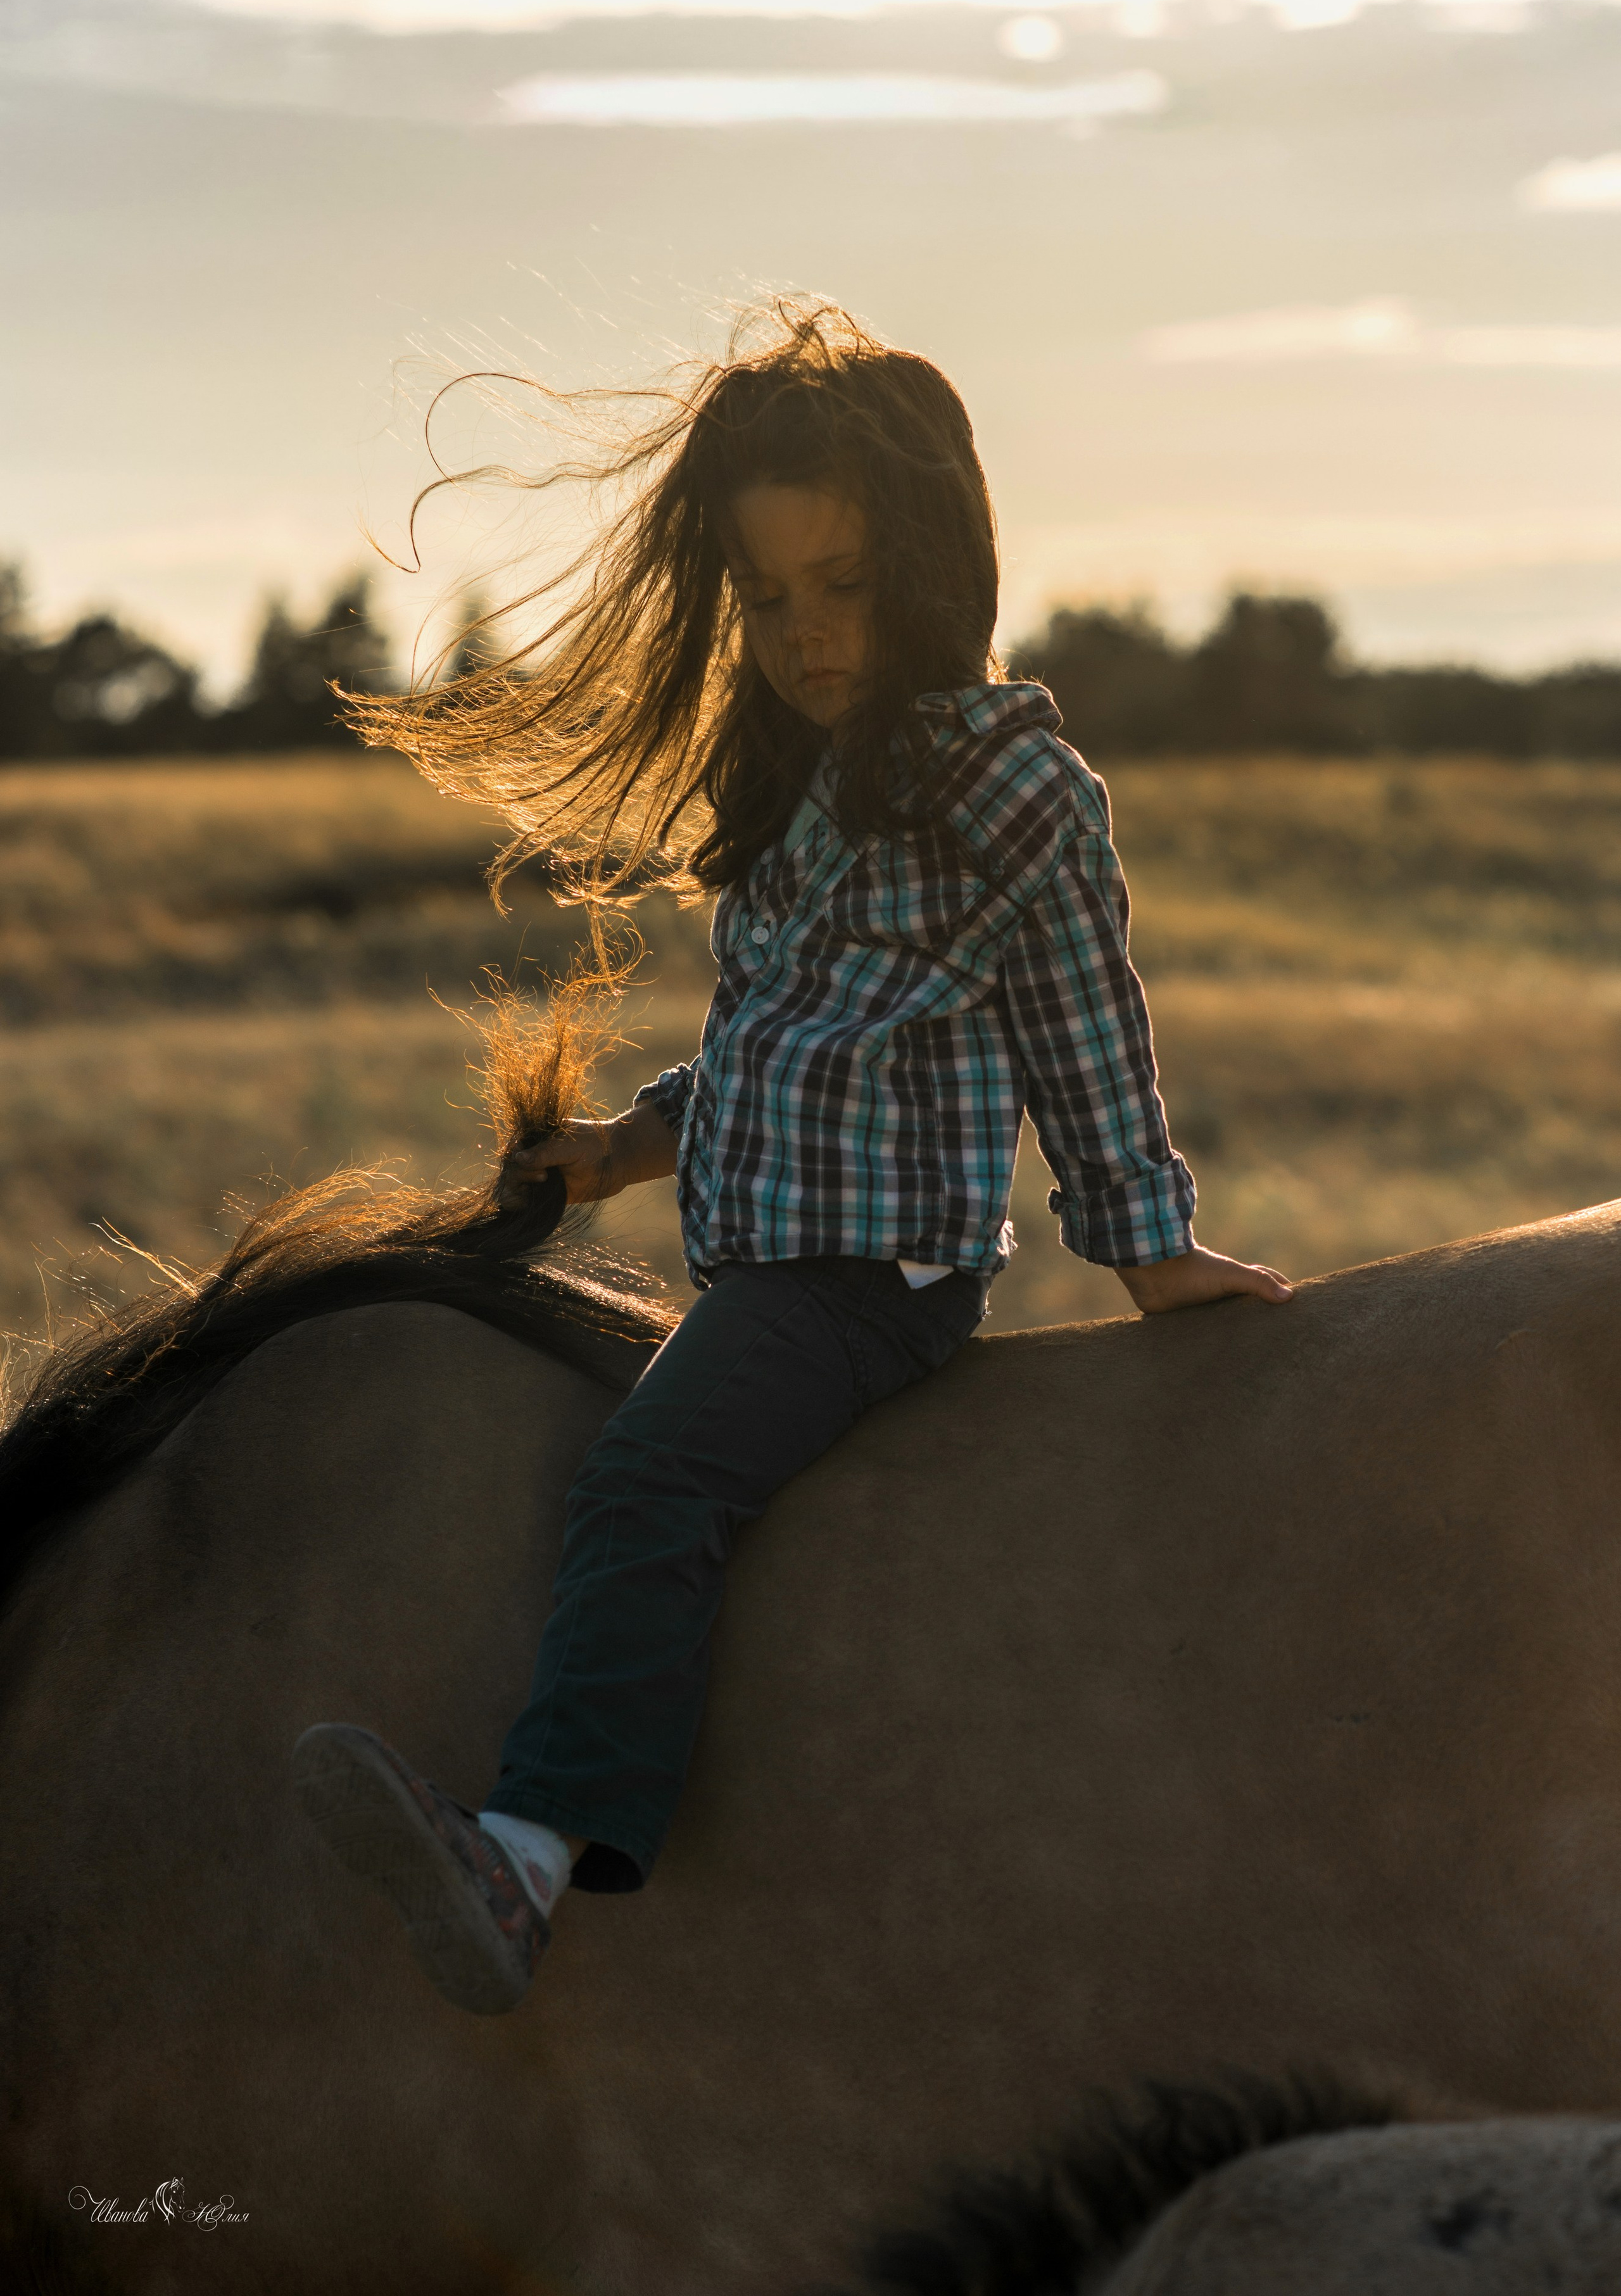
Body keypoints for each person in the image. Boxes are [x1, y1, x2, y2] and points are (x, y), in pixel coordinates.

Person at [293, 301, 1292, 2014]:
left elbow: (1083, 1027)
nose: (808, 635)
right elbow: (770, 1049)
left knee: (649, 1482)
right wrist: (624, 1148)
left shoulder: (1016, 789)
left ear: (934, 564)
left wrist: (1149, 1246)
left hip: (869, 1288)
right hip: (773, 1267)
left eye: (843, 585)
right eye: (767, 600)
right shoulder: (808, 795)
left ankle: (530, 1858)